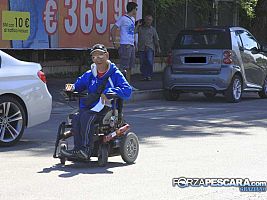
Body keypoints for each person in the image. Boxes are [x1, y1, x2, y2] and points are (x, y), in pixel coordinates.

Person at [61, 44, 132, 160]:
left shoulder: (115, 73)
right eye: (94, 56)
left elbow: (127, 90)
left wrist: (110, 92)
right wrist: (71, 87)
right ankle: (77, 149)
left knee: (86, 117)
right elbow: (78, 85)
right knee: (76, 117)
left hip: (107, 107)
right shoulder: (90, 74)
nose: (97, 59)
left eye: (100, 55)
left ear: (107, 55)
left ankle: (85, 150)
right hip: (92, 106)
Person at [110, 2, 138, 84]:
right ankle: (120, 84)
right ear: (132, 9)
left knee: (130, 67)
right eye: (136, 9)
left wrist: (135, 43)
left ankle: (128, 84)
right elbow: (113, 29)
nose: (136, 11)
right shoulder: (123, 19)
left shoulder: (133, 19)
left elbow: (132, 32)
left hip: (131, 44)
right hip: (125, 45)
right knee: (124, 66)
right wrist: (114, 42)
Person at [136, 15, 161, 81]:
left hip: (150, 48)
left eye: (150, 20)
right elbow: (134, 32)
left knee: (149, 61)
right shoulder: (140, 28)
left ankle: (149, 75)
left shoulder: (153, 29)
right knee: (142, 62)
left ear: (151, 21)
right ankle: (144, 75)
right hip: (141, 48)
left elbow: (156, 39)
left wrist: (158, 47)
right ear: (145, 20)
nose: (148, 21)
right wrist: (138, 25)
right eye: (147, 19)